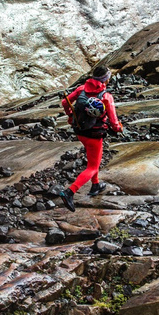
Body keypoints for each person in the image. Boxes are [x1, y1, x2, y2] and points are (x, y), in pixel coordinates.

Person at [59, 65, 123, 212]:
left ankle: (96, 185)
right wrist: (119, 128)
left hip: (80, 132)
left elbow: (64, 102)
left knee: (93, 159)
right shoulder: (106, 96)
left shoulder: (81, 89)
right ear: (105, 80)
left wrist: (70, 116)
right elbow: (114, 123)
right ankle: (69, 192)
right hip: (95, 135)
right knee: (93, 167)